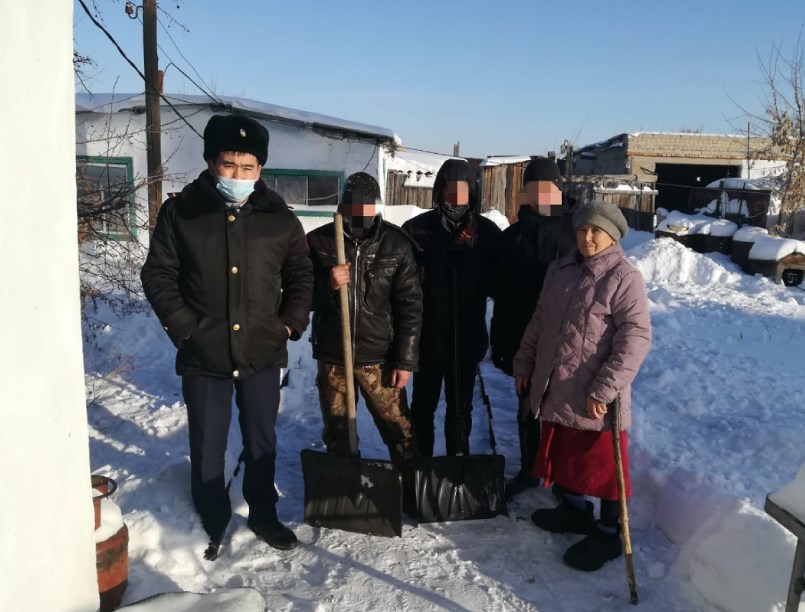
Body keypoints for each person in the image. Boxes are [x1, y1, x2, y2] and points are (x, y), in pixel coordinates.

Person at [141, 114, 313, 555]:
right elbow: (159, 274)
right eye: (229, 165)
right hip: (205, 352)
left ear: (261, 170)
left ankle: (263, 512)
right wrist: (186, 330)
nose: (238, 176)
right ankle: (212, 510)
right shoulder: (182, 213)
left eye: (248, 168)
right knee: (208, 438)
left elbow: (300, 274)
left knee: (261, 438)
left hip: (261, 348)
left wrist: (288, 323)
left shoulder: (279, 219)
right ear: (211, 161)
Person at [513, 201, 651, 572]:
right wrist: (524, 362)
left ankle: (609, 531)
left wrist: (604, 389)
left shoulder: (624, 277)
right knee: (565, 454)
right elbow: (540, 320)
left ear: (613, 235)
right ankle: (574, 511)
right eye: (582, 230)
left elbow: (635, 338)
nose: (587, 238)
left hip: (596, 393)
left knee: (603, 466)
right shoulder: (560, 269)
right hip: (558, 383)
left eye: (596, 231)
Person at [306, 172, 422, 470]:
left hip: (379, 358)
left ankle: (408, 485)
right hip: (334, 357)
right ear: (343, 204)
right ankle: (346, 497)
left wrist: (405, 361)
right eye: (354, 205)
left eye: (366, 205)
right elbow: (299, 297)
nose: (360, 212)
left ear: (375, 205)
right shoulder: (318, 241)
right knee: (339, 433)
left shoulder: (396, 245)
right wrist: (327, 285)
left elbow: (410, 306)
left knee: (400, 430)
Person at [402, 159, 501, 457]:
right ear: (439, 193)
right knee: (423, 408)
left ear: (472, 194)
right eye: (449, 193)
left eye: (462, 193)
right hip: (428, 340)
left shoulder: (487, 234)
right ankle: (423, 469)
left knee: (460, 411)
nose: (456, 200)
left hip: (466, 341)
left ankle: (458, 468)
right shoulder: (417, 231)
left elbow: (502, 283)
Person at [489, 157, 575, 499]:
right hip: (524, 336)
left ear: (558, 188)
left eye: (547, 187)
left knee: (565, 409)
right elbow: (501, 297)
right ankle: (531, 466)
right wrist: (502, 343)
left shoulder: (578, 230)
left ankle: (565, 476)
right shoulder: (513, 236)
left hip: (569, 338)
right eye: (533, 188)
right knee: (527, 406)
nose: (540, 195)